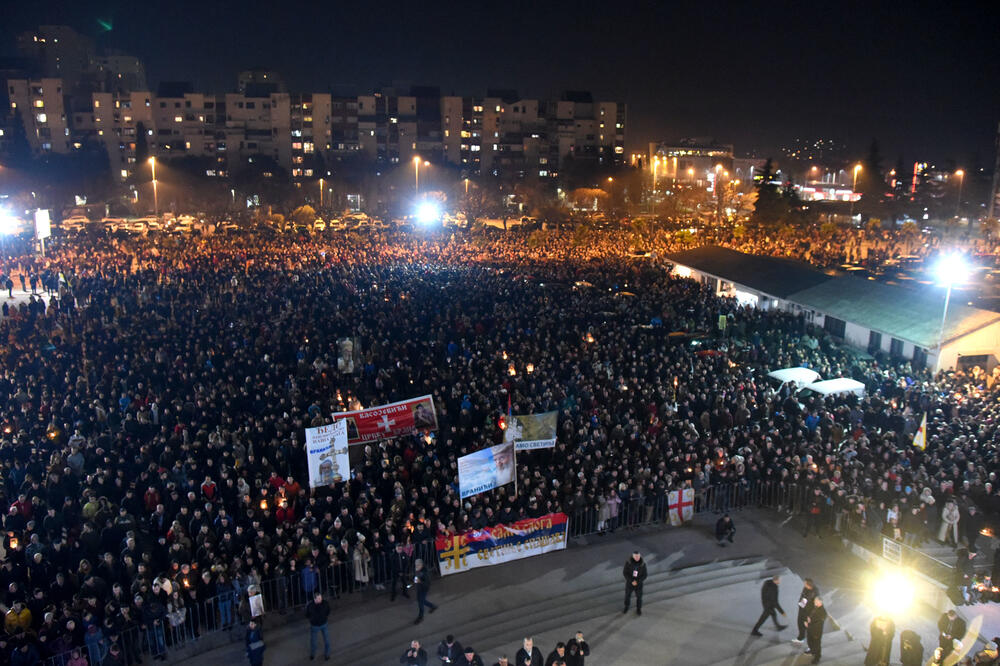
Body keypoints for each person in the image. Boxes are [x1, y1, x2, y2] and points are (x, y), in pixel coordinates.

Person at [305, 592, 331, 661]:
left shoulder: (325, 603)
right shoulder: (310, 606)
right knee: (314, 642)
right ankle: (313, 654)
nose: (321, 599)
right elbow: (307, 615)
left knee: (327, 641)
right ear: (315, 599)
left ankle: (327, 654)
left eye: (321, 597)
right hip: (315, 626)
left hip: (323, 624)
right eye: (319, 598)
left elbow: (328, 611)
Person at [793, 579, 819, 643]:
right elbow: (803, 596)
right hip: (802, 608)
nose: (804, 584)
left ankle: (813, 642)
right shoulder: (806, 588)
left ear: (809, 584)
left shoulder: (814, 591)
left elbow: (808, 600)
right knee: (800, 622)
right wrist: (800, 605)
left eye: (805, 583)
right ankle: (801, 638)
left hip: (809, 611)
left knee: (808, 626)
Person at [622, 550, 647, 616]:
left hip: (639, 584)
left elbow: (645, 575)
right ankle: (626, 607)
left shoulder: (643, 564)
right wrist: (632, 581)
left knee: (639, 597)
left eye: (638, 556)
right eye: (636, 556)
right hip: (630, 583)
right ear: (633, 557)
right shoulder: (628, 563)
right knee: (627, 596)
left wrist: (638, 581)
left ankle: (638, 609)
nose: (637, 558)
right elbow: (625, 573)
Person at [413, 559, 438, 624]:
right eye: (416, 565)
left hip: (423, 589)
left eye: (418, 565)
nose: (416, 566)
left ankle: (421, 617)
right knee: (421, 600)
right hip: (419, 588)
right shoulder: (417, 569)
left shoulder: (425, 573)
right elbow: (416, 576)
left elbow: (427, 584)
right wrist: (415, 580)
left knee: (420, 602)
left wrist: (420, 581)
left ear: (421, 565)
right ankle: (433, 606)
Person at [804, 597, 827, 663]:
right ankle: (812, 650)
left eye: (816, 601)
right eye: (814, 601)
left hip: (816, 631)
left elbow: (819, 622)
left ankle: (817, 658)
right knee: (809, 642)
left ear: (820, 602)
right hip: (810, 629)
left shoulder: (823, 612)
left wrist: (810, 621)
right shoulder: (815, 607)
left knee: (817, 644)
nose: (814, 602)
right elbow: (810, 615)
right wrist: (807, 620)